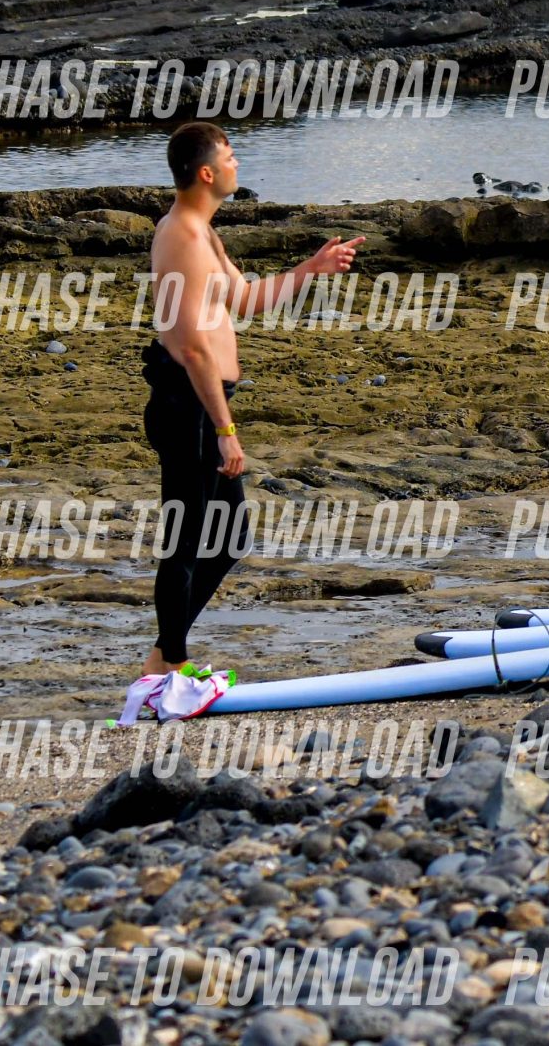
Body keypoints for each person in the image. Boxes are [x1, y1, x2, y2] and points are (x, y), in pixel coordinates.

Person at [137, 123, 362, 686]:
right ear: (206, 172)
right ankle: (169, 668)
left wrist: (309, 270)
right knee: (187, 541)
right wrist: (225, 429)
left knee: (229, 537)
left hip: (203, 405)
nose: (238, 164)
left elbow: (245, 300)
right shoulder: (182, 238)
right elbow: (192, 347)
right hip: (189, 406)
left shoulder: (204, 234)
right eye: (231, 157)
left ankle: (164, 658)